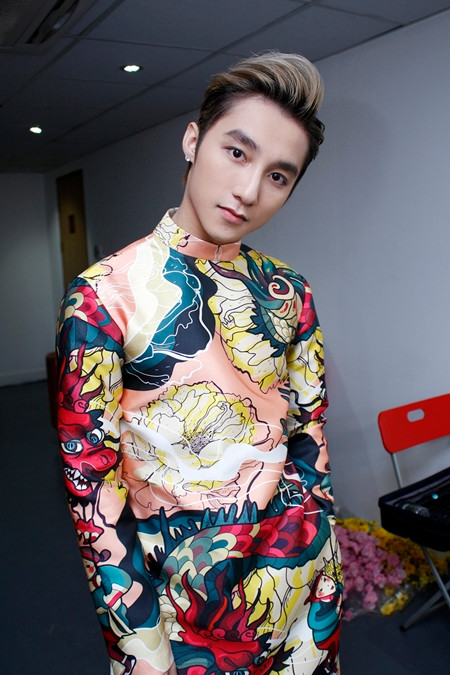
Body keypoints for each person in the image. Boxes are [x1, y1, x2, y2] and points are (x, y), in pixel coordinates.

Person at [56, 51, 342, 675]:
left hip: (297, 585)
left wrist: (323, 579)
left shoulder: (289, 291)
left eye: (278, 176)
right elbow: (91, 488)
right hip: (177, 606)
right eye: (237, 152)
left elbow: (311, 435)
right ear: (193, 141)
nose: (248, 190)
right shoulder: (104, 294)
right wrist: (141, 649)